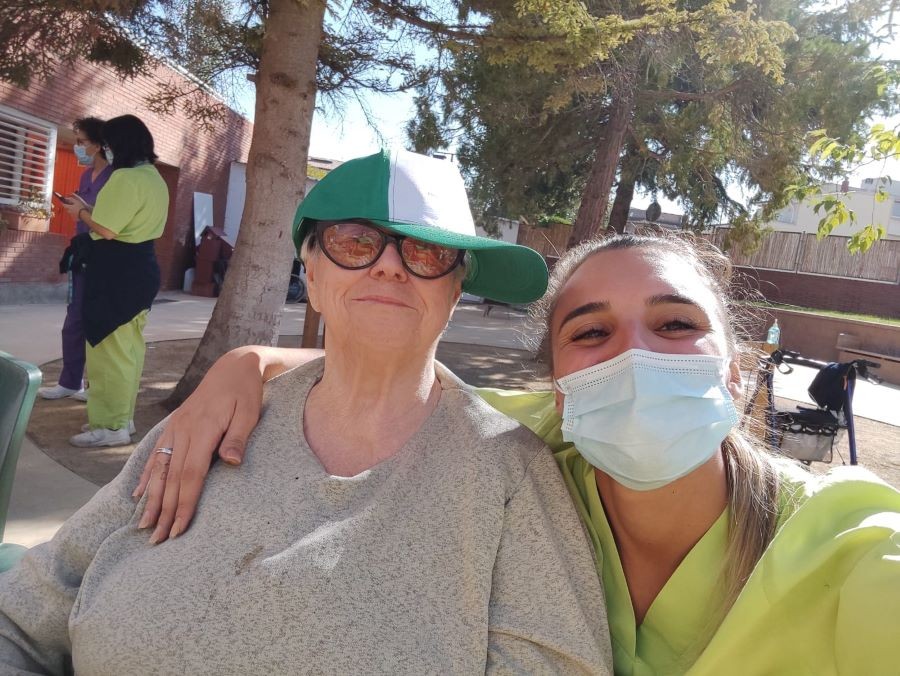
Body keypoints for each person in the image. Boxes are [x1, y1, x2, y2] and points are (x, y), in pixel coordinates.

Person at [136, 233, 900, 673]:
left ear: (737, 374)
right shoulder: (524, 446)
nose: (632, 357)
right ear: (558, 392)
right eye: (591, 333)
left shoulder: (852, 544)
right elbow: (399, 382)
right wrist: (249, 364)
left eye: (675, 325)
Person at [0, 150, 613, 674]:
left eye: (426, 252)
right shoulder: (205, 426)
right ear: (312, 275)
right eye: (355, 241)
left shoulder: (509, 474)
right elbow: (22, 616)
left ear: (455, 291)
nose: (388, 265)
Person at [59, 114, 168, 447]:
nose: (103, 149)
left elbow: (107, 229)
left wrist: (80, 213)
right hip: (140, 271)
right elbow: (121, 221)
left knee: (107, 355)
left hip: (115, 275)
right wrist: (90, 208)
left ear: (118, 144)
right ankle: (123, 419)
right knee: (128, 352)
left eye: (106, 143)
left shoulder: (124, 178)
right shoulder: (153, 178)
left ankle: (110, 427)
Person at [38, 117, 114, 401]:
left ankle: (99, 387)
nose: (78, 147)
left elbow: (112, 219)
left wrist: (85, 209)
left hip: (106, 257)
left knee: (100, 321)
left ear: (99, 144)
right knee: (74, 320)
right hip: (82, 254)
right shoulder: (85, 176)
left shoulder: (117, 176)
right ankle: (70, 382)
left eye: (82, 142)